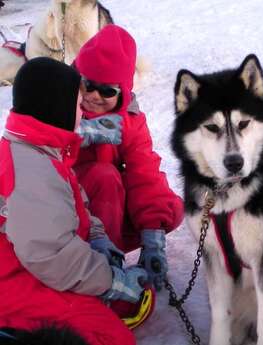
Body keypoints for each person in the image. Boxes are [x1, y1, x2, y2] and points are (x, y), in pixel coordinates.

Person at [0, 57, 148, 345]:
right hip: (12, 281)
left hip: (31, 266)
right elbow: (50, 256)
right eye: (78, 105)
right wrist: (111, 281)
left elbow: (76, 203)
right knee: (110, 337)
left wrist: (98, 240)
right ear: (56, 108)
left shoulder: (40, 150)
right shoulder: (31, 171)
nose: (83, 111)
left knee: (126, 305)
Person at [72, 24, 184, 292]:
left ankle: (114, 251)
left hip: (102, 210)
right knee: (104, 175)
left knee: (169, 208)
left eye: (107, 91)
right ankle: (102, 269)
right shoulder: (57, 102)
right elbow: (31, 139)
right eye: (88, 85)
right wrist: (77, 133)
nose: (94, 96)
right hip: (63, 207)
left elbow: (143, 172)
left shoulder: (130, 121)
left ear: (122, 92)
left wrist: (152, 236)